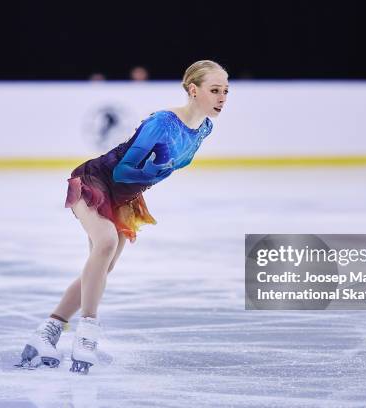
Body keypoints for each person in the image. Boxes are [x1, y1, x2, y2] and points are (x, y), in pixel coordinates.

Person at [15, 60, 229, 374]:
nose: (222, 97)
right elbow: (123, 169)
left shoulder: (205, 129)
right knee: (105, 243)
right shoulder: (163, 121)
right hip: (96, 179)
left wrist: (158, 170)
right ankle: (87, 330)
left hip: (125, 196)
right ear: (194, 90)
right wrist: (159, 169)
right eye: (215, 90)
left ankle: (47, 333)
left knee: (103, 266)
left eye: (225, 90)